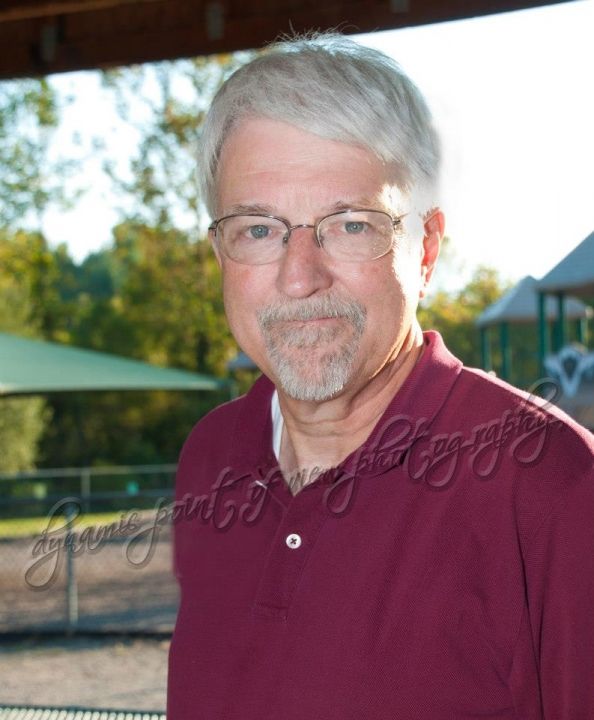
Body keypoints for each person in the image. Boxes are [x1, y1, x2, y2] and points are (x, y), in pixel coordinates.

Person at [167, 33, 594, 719]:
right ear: (218, 247)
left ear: (425, 249)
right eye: (258, 229)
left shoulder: (552, 483)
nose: (299, 276)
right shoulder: (211, 456)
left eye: (350, 225)